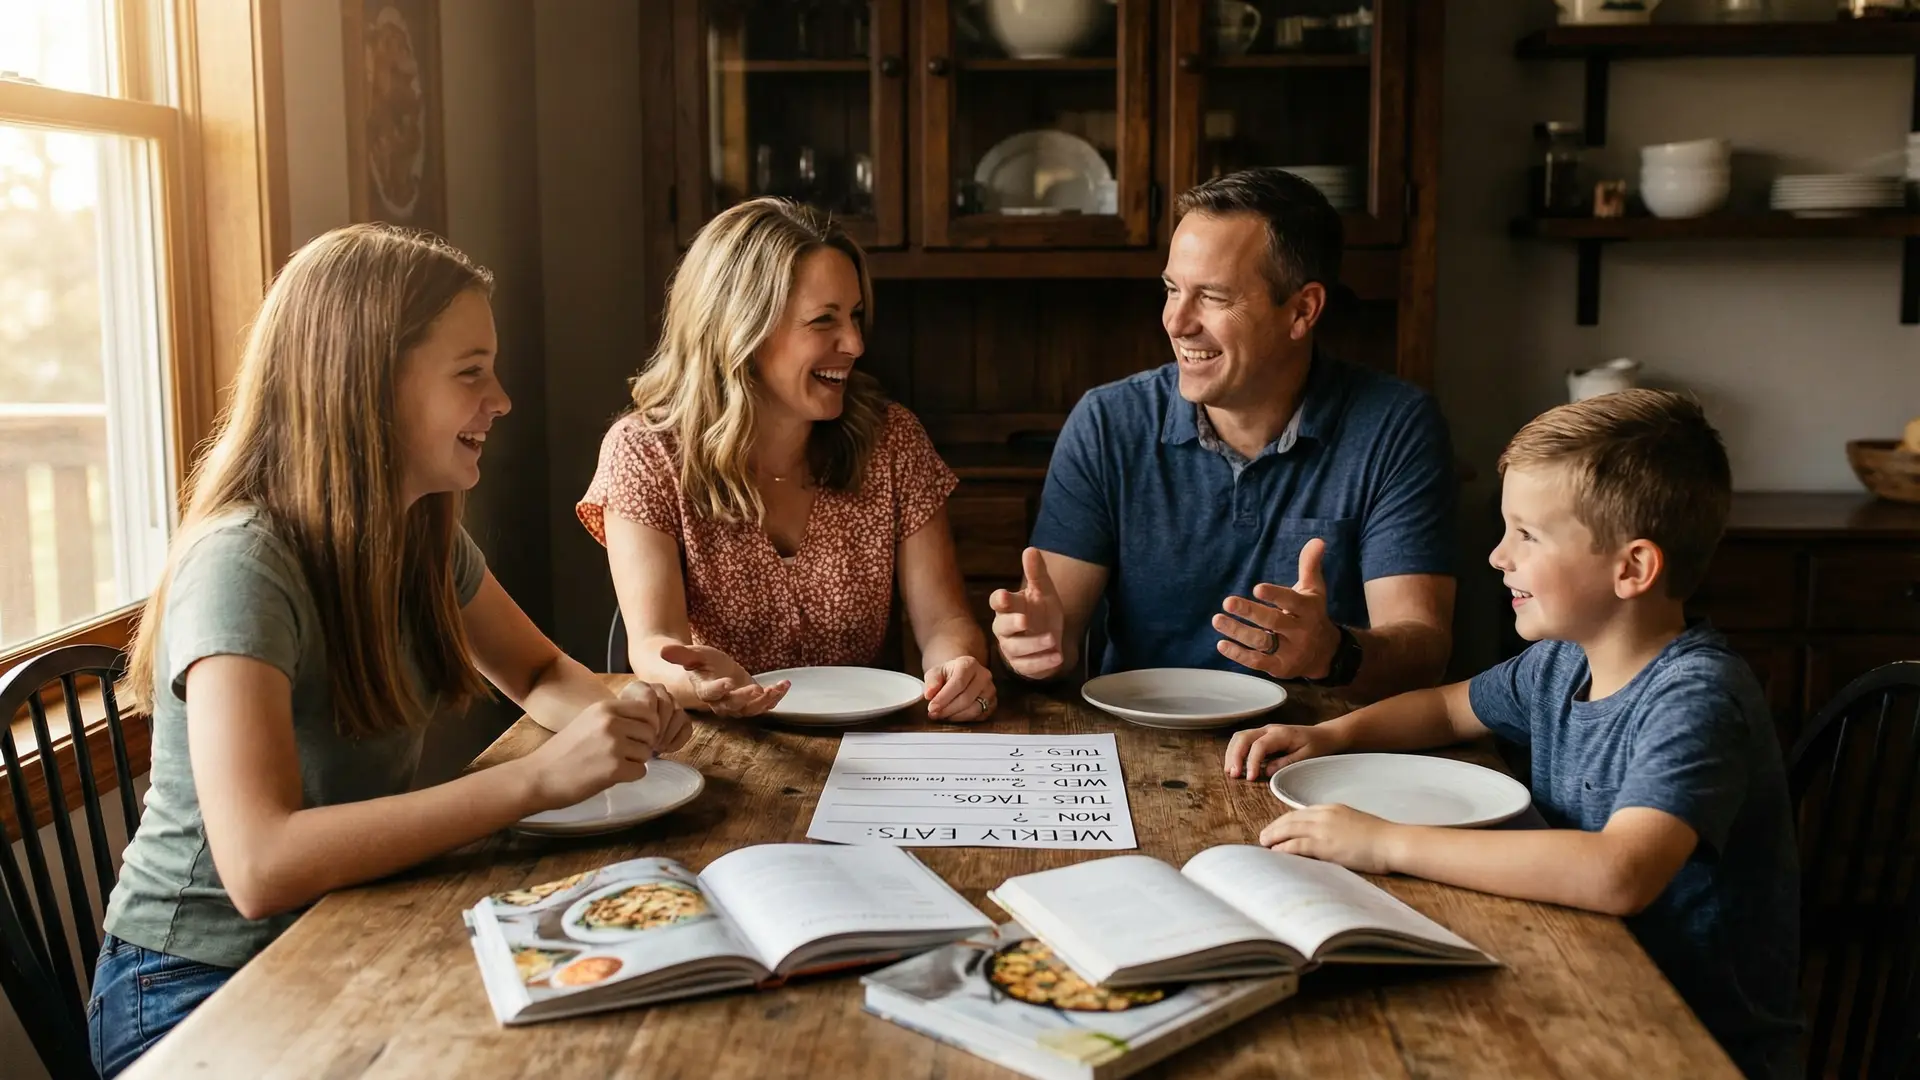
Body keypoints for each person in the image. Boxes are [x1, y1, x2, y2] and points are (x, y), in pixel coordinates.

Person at [89, 225, 691, 1078]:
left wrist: (626, 714)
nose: (502, 399)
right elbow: (260, 864)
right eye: (470, 372)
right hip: (192, 988)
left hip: (345, 929)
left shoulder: (419, 535)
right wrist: (535, 780)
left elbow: (535, 671)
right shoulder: (243, 562)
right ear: (368, 381)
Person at [1227, 390, 1801, 1079]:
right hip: (1582, 977)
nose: (1498, 556)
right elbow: (1448, 709)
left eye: (1527, 535)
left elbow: (1620, 873)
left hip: (1689, 1043)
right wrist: (1331, 735)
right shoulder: (1562, 660)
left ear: (1632, 568)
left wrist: (1384, 842)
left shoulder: (1695, 697)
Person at [990, 168, 1456, 701]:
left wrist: (1332, 653)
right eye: (1172, 289)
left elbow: (1423, 650)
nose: (1176, 322)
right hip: (1138, 733)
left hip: (1322, 737)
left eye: (1212, 297)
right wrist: (1032, 648)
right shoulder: (1107, 423)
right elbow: (1056, 639)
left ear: (1302, 310)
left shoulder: (1395, 427)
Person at [578, 198, 995, 722]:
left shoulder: (893, 440)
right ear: (741, 330)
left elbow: (944, 622)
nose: (855, 343)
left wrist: (958, 666)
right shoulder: (644, 452)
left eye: (855, 316)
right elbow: (654, 643)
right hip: (716, 741)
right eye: (824, 320)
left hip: (870, 742)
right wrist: (702, 684)